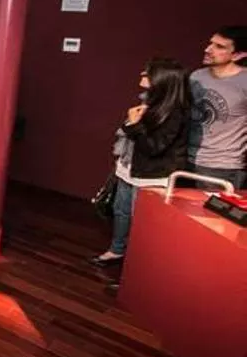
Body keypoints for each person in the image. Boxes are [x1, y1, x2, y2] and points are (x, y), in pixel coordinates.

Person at [90, 58, 191, 275]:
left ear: (162, 79)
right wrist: (131, 124)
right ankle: (117, 250)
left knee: (143, 222)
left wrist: (134, 125)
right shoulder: (148, 101)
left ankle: (139, 265)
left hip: (151, 177)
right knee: (121, 211)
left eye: (147, 73)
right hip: (129, 169)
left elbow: (153, 148)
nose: (141, 75)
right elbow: (129, 133)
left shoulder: (175, 112)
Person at [187, 25, 247, 188]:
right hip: (187, 160)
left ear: (238, 55)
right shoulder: (197, 76)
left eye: (219, 47)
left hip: (222, 167)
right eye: (211, 43)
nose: (208, 49)